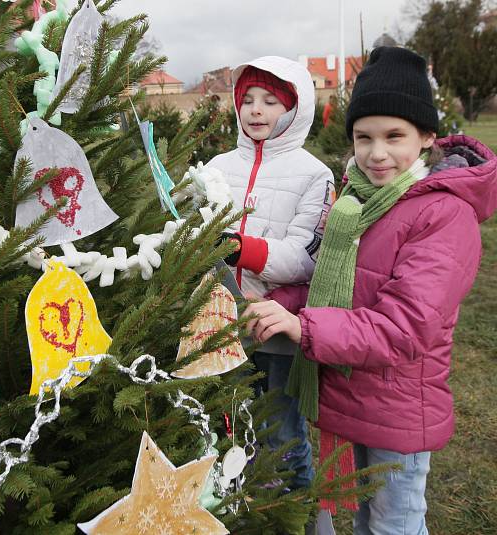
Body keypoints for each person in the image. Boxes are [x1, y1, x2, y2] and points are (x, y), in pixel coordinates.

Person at [242, 46, 497, 534]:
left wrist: (303, 326)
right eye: (364, 138)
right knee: (361, 514)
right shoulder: (356, 203)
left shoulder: (443, 215)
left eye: (394, 136)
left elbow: (405, 326)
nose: (377, 153)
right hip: (350, 391)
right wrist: (277, 305)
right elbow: (335, 285)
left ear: (427, 137)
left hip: (398, 406)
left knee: (390, 523)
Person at [205, 56, 335, 491]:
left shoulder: (315, 175)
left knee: (281, 430)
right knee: (230, 424)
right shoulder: (217, 168)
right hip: (221, 323)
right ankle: (239, 502)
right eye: (248, 100)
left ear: (295, 110)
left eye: (271, 101)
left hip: (277, 329)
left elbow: (305, 257)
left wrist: (242, 250)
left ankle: (295, 507)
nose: (256, 111)